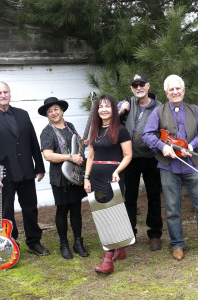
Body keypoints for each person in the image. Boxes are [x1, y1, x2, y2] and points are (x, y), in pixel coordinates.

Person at [143, 74, 198, 262]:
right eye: (171, 89)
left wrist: (192, 146)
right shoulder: (158, 112)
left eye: (178, 89)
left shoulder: (195, 109)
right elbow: (147, 134)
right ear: (166, 93)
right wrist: (163, 147)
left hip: (193, 165)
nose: (175, 92)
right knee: (172, 208)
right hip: (169, 167)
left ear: (183, 91)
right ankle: (177, 244)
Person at [0, 81, 49, 256]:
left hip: (25, 170)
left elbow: (32, 140)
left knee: (30, 207)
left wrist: (39, 165)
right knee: (6, 211)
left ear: (10, 93)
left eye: (5, 92)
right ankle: (10, 241)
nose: (3, 95)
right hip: (2, 174)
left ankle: (34, 242)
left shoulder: (22, 114)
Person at [84, 94, 132, 274]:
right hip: (95, 176)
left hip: (113, 177)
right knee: (102, 214)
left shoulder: (120, 129)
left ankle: (107, 261)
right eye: (100, 107)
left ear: (113, 109)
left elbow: (128, 155)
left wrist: (117, 171)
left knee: (110, 216)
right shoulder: (95, 130)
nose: (103, 109)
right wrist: (86, 177)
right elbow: (90, 157)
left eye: (107, 106)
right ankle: (119, 249)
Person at [38, 97, 89, 259]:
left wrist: (84, 143)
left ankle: (78, 243)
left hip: (75, 174)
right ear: (47, 114)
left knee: (76, 209)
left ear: (62, 110)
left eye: (56, 109)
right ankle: (64, 245)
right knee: (62, 210)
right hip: (60, 177)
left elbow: (76, 144)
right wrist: (70, 157)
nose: (54, 113)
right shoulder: (47, 132)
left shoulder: (70, 126)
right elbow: (48, 155)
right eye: (50, 111)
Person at [118, 72, 163, 251]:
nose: (139, 88)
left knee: (154, 196)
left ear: (148, 85)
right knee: (129, 197)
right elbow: (112, 116)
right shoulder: (127, 103)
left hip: (152, 158)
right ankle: (130, 233)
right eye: (135, 85)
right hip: (131, 158)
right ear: (131, 88)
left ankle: (155, 234)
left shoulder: (159, 107)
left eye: (141, 84)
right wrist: (121, 110)